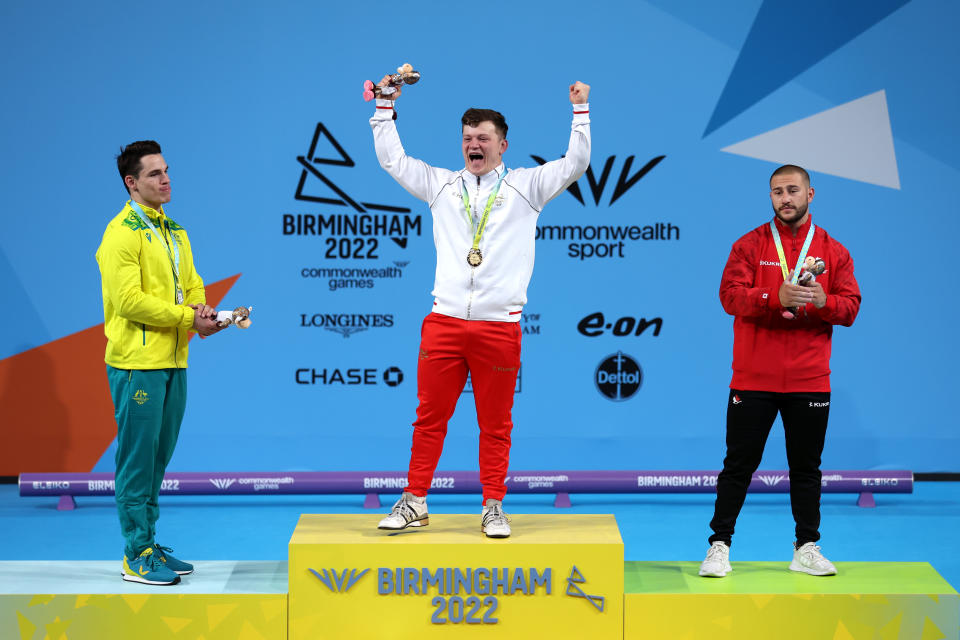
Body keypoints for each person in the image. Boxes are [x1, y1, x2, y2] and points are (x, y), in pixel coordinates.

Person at [370, 77, 591, 537]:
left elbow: (577, 163)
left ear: (502, 145)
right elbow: (393, 159)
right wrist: (384, 109)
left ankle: (493, 506)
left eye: (483, 139)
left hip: (498, 327)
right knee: (429, 418)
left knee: (495, 424)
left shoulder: (528, 187)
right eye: (467, 138)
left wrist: (580, 112)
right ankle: (414, 500)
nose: (474, 145)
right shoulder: (440, 186)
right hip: (444, 322)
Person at [699, 165, 861, 577]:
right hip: (753, 377)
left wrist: (824, 301)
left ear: (811, 194)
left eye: (792, 190)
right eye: (777, 192)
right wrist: (774, 295)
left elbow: (851, 308)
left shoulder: (834, 251)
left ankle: (806, 546)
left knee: (806, 468)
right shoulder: (748, 245)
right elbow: (729, 297)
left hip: (809, 378)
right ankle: (719, 546)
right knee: (738, 465)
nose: (784, 198)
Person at [96, 140, 222, 585]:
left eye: (166, 171)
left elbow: (193, 284)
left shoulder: (175, 231)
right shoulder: (121, 234)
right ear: (131, 183)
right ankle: (135, 553)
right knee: (136, 461)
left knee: (157, 460)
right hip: (136, 364)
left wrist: (203, 314)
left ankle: (149, 542)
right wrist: (188, 317)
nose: (166, 179)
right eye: (154, 174)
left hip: (174, 362)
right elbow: (129, 301)